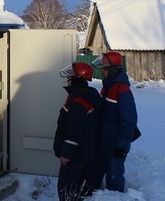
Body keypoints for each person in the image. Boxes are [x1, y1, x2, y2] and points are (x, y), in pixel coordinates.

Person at [53, 62, 101, 200]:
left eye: (70, 75)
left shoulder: (79, 101)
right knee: (76, 191)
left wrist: (66, 154)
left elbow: (75, 131)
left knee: (68, 191)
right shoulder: (85, 94)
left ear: (77, 78)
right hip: (83, 154)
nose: (67, 78)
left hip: (76, 157)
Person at [92, 51, 138, 192]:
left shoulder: (122, 90)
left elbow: (129, 120)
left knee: (114, 179)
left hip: (115, 145)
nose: (102, 72)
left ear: (112, 70)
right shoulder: (106, 88)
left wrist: (121, 146)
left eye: (105, 69)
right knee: (96, 174)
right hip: (104, 142)